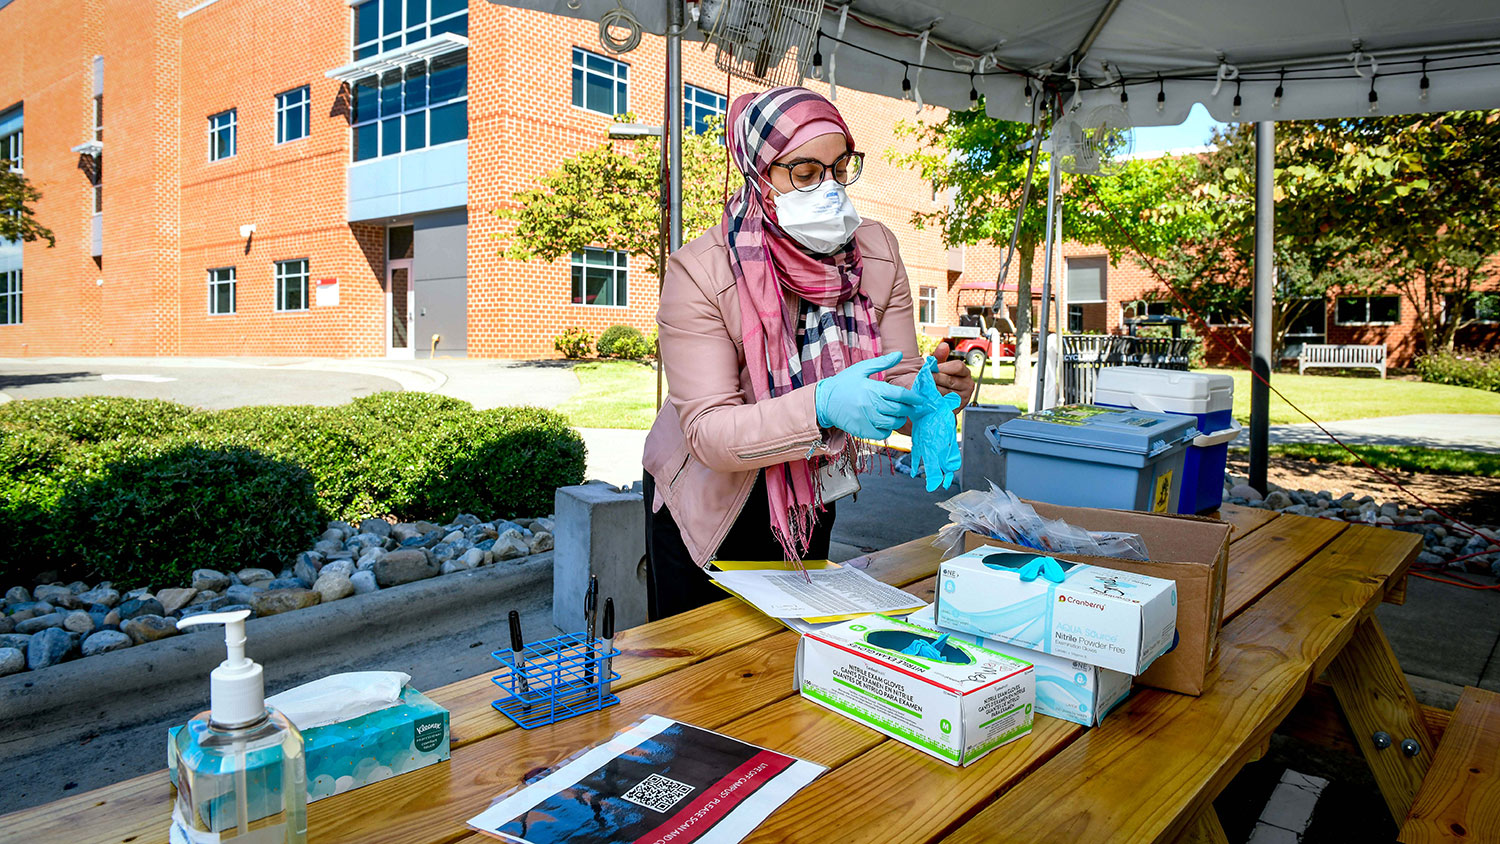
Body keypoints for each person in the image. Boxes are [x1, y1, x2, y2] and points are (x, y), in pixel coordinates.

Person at [641, 86, 975, 619]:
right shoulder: (701, 271)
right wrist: (820, 405)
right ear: (759, 173)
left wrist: (932, 395)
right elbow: (707, 432)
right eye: (804, 172)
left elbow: (898, 375)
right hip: (712, 501)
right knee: (704, 671)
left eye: (841, 168)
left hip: (808, 490)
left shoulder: (878, 252)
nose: (829, 189)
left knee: (797, 649)